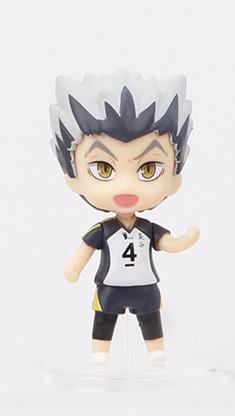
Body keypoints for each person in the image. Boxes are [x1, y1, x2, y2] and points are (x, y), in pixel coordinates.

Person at [51, 70, 200, 363]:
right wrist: (73, 268)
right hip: (110, 285)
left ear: (174, 178)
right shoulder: (102, 230)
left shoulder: (148, 229)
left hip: (145, 285)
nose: (126, 186)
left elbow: (168, 243)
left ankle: (156, 351)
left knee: (151, 316)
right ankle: (100, 353)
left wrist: (185, 240)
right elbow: (84, 251)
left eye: (148, 169)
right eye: (103, 169)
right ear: (73, 176)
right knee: (104, 317)